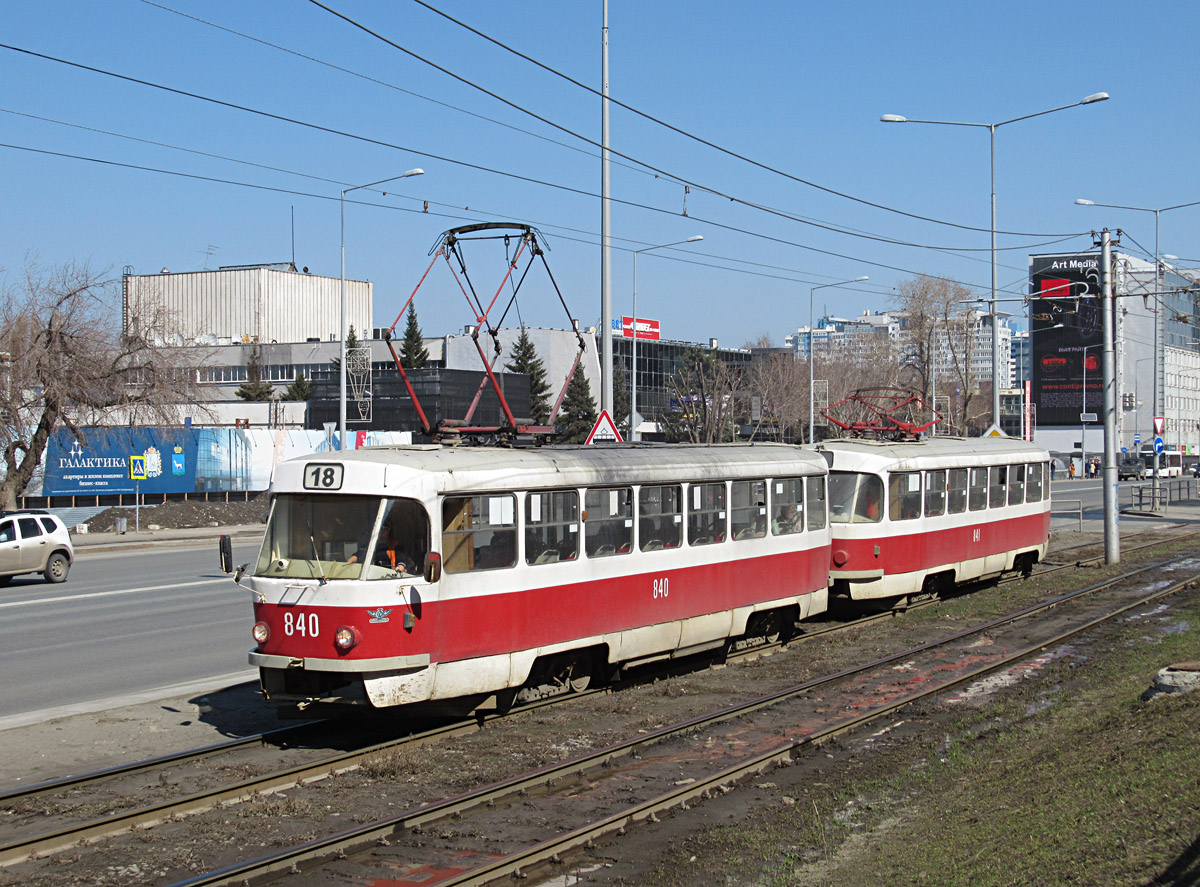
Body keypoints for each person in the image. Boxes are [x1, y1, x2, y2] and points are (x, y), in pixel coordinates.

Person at [349, 521, 416, 574]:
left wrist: (400, 568)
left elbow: (402, 562)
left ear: (387, 530)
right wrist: (348, 563)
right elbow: (358, 555)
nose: (378, 531)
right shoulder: (370, 545)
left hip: (387, 577)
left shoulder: (396, 546)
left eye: (381, 528)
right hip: (370, 575)